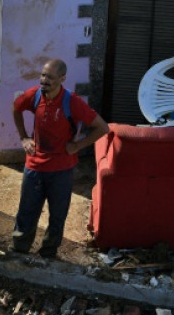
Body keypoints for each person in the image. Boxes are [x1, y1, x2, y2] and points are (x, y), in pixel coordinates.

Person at [10, 58, 109, 258]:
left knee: (57, 216)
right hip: (35, 167)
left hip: (61, 170)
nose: (44, 80)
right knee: (26, 212)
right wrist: (23, 137)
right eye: (43, 75)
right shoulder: (35, 96)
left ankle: (48, 254)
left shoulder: (72, 102)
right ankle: (19, 251)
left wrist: (78, 146)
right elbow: (16, 107)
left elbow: (102, 127)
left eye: (50, 77)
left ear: (62, 79)